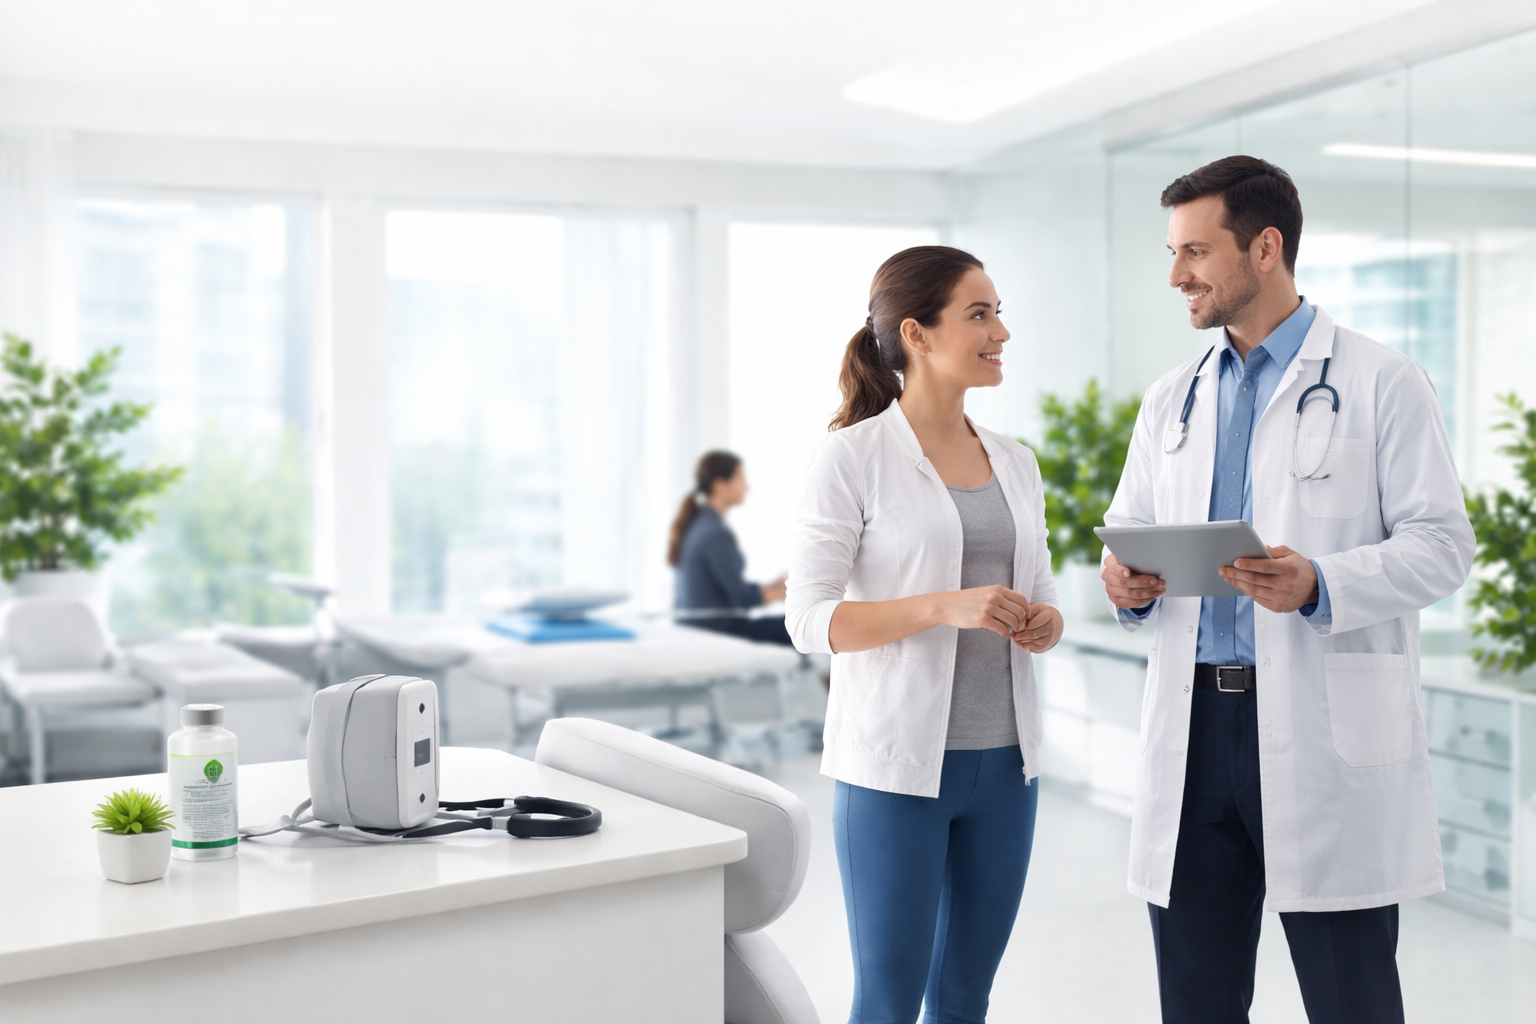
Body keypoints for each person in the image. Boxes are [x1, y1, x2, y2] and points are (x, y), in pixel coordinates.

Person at [1101, 156, 1474, 1024]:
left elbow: (1443, 547)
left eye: (1194, 251)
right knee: (1196, 1000)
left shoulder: (1384, 382)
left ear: (1265, 247)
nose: (1175, 275)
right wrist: (1128, 584)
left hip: (1317, 724)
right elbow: (1130, 536)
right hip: (1194, 729)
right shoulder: (1172, 400)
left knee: (1351, 1000)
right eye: (1171, 251)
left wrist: (1321, 582)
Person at [785, 245, 1062, 1024]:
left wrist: (1045, 622)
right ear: (918, 333)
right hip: (895, 773)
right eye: (979, 313)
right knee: (888, 998)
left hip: (1007, 769)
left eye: (1000, 311)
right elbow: (808, 620)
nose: (1000, 330)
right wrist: (944, 606)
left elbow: (1040, 596)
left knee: (966, 996)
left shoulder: (1016, 462)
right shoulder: (851, 457)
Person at [668, 450, 792, 645]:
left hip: (695, 624)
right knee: (794, 626)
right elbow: (743, 598)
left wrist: (769, 587)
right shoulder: (716, 534)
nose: (747, 487)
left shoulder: (699, 524)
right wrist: (783, 593)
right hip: (714, 629)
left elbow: (726, 586)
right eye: (740, 479)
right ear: (720, 485)